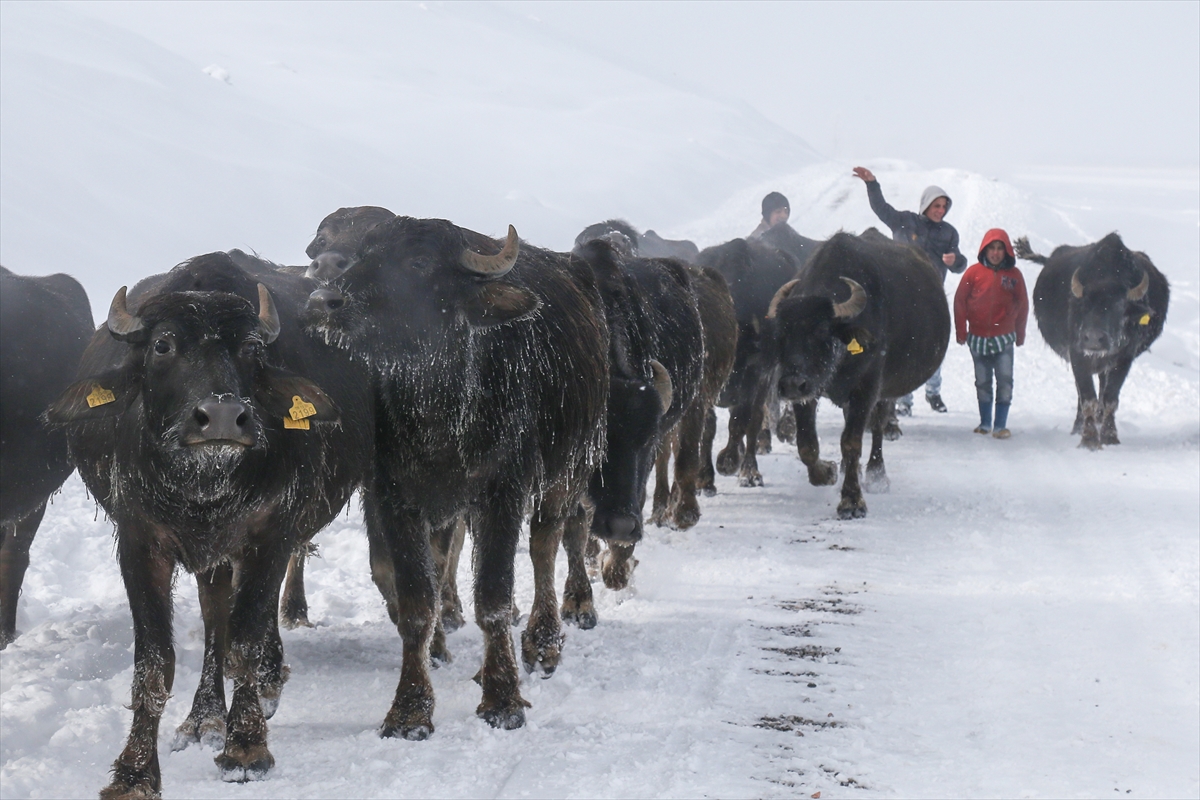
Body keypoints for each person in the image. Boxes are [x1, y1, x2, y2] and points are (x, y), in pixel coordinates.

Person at [852, 167, 965, 414]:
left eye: (944, 207)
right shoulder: (905, 221)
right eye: (937, 206)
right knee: (904, 347)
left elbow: (961, 262)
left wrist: (954, 261)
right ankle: (903, 401)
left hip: (931, 297)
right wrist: (872, 184)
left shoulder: (948, 232)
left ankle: (933, 392)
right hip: (901, 296)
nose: (941, 211)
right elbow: (882, 209)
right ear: (926, 205)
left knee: (934, 344)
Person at [953, 228, 1029, 439]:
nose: (995, 253)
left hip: (1004, 338)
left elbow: (1023, 305)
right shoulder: (973, 273)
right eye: (992, 248)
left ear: (1007, 252)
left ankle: (1000, 425)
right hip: (977, 338)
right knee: (983, 381)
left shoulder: (1014, 276)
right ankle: (985, 422)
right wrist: (961, 330)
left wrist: (1020, 333)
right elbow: (960, 301)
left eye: (1000, 249)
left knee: (1005, 380)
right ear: (984, 250)